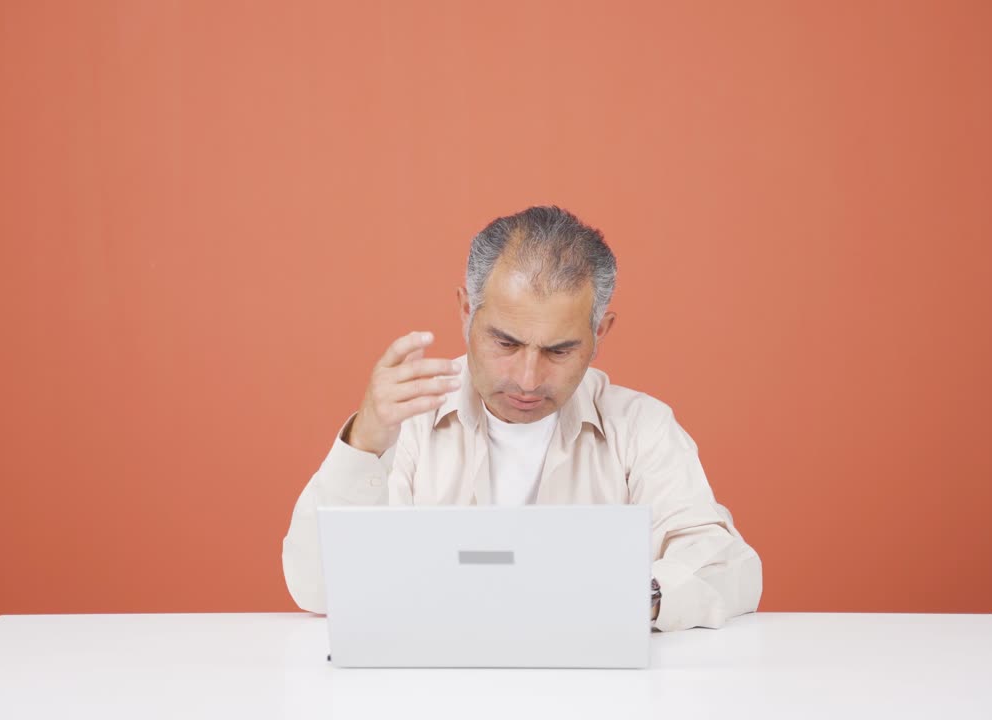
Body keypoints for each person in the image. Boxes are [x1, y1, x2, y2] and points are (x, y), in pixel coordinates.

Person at [281, 205, 762, 631]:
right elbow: (316, 587)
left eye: (560, 349)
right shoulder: (406, 421)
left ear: (600, 332)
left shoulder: (640, 427)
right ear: (466, 311)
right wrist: (364, 442)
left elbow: (728, 568)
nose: (528, 379)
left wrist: (630, 600)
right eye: (506, 343)